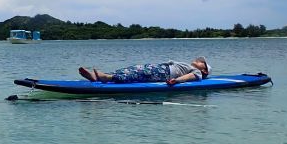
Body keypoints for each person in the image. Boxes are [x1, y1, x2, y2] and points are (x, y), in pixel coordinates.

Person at [78, 57, 211, 85]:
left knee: (137, 74)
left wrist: (176, 80)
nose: (197, 60)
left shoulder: (197, 72)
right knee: (131, 69)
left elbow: (190, 76)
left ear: (204, 70)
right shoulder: (191, 66)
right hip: (161, 68)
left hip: (164, 73)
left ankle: (108, 78)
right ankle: (100, 76)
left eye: (201, 61)